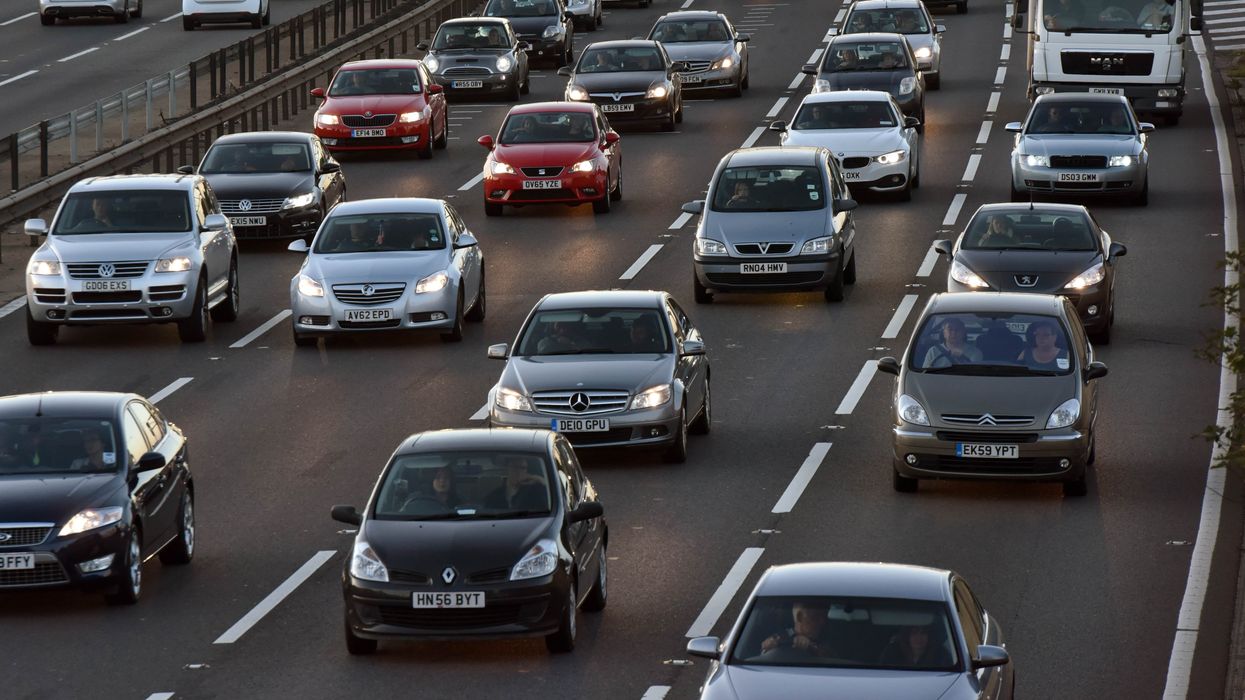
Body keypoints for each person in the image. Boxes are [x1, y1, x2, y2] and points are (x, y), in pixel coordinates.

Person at [759, 600, 837, 659]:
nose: (822, 622)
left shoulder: (827, 635)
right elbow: (763, 653)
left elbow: (833, 659)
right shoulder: (782, 635)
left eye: (824, 617)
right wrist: (769, 646)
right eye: (815, 617)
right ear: (799, 617)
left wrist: (811, 647)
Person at [878, 624, 953, 667]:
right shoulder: (892, 653)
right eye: (914, 633)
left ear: (929, 636)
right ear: (907, 636)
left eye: (923, 633)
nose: (919, 637)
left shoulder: (941, 655)